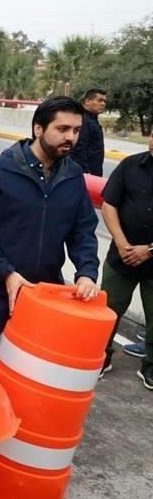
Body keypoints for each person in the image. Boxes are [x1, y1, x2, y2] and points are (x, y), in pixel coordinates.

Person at [0, 96, 101, 352]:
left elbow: (83, 231)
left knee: (33, 368)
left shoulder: (73, 175)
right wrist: (6, 273)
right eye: (62, 129)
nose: (71, 137)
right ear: (38, 129)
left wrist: (87, 273)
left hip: (44, 292)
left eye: (76, 130)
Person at [97, 131, 153, 389]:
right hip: (122, 257)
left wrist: (149, 249)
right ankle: (101, 357)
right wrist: (121, 244)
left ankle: (150, 367)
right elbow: (109, 205)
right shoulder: (130, 165)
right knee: (108, 311)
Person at [70, 88, 106, 176]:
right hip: (85, 176)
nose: (103, 104)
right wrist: (85, 172)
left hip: (94, 173)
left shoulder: (92, 120)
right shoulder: (82, 120)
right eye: (100, 100)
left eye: (104, 101)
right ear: (87, 101)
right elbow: (78, 149)